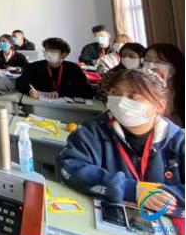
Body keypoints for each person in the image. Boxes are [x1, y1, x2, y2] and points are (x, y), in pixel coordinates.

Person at [57, 69, 184, 218]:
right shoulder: (92, 131)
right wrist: (131, 189)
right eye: (115, 93)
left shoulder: (179, 141)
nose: (122, 102)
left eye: (133, 97)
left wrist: (156, 196)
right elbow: (70, 167)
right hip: (104, 218)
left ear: (159, 106)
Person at [15, 37, 93, 99]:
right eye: (46, 50)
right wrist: (29, 90)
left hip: (66, 108)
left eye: (52, 51)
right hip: (39, 103)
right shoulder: (34, 66)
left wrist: (60, 93)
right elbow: (20, 82)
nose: (48, 53)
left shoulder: (73, 68)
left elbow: (86, 90)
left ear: (63, 54)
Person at [143, 44, 184, 127]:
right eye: (147, 60)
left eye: (158, 61)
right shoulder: (141, 90)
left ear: (173, 66)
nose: (150, 65)